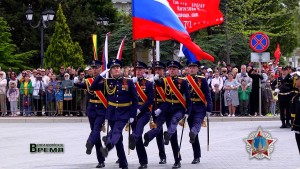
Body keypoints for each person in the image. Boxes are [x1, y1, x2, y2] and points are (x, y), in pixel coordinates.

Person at [90, 59, 138, 169]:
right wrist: (101, 76)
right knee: (119, 140)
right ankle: (123, 163)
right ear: (110, 71)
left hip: (124, 112)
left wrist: (132, 115)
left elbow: (135, 99)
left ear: (120, 69)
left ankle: (107, 147)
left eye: (118, 67)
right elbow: (93, 87)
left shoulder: (128, 81)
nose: (116, 69)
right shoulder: (107, 82)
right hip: (111, 113)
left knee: (116, 131)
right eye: (113, 68)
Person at [153, 60, 191, 168]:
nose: (172, 70)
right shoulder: (165, 80)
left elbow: (187, 97)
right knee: (164, 133)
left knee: (173, 136)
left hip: (177, 109)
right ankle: (167, 156)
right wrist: (156, 79)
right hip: (166, 110)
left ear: (178, 70)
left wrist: (188, 111)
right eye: (170, 69)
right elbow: (159, 83)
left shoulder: (182, 82)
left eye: (174, 69)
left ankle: (177, 160)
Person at [75, 60, 108, 168]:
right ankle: (101, 160)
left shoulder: (106, 80)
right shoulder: (88, 81)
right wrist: (75, 81)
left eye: (96, 68)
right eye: (92, 68)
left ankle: (90, 143)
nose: (94, 70)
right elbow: (80, 85)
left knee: (96, 129)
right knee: (96, 134)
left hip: (102, 109)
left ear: (100, 68)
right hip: (91, 109)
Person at [185, 61, 212, 164]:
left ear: (197, 68)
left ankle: (194, 132)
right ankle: (196, 156)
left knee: (196, 125)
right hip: (189, 108)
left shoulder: (202, 80)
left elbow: (207, 94)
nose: (192, 69)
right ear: (188, 68)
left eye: (194, 67)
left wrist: (209, 108)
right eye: (190, 67)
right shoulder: (185, 80)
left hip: (200, 107)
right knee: (194, 135)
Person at [128, 61, 153, 169]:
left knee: (137, 131)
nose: (138, 71)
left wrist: (140, 109)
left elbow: (150, 100)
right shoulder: (130, 82)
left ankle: (133, 137)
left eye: (140, 69)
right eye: (136, 69)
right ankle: (143, 162)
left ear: (144, 71)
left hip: (144, 112)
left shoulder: (148, 83)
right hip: (133, 112)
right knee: (137, 139)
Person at [143, 61, 167, 165]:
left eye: (160, 69)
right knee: (159, 134)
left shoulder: (167, 81)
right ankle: (162, 157)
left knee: (158, 127)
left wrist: (161, 109)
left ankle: (149, 136)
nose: (157, 71)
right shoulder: (150, 81)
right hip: (153, 107)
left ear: (163, 71)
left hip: (164, 108)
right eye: (156, 69)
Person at [291, 73, 300, 154]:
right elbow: (293, 113)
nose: (296, 81)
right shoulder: (295, 97)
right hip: (298, 127)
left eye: (298, 79)